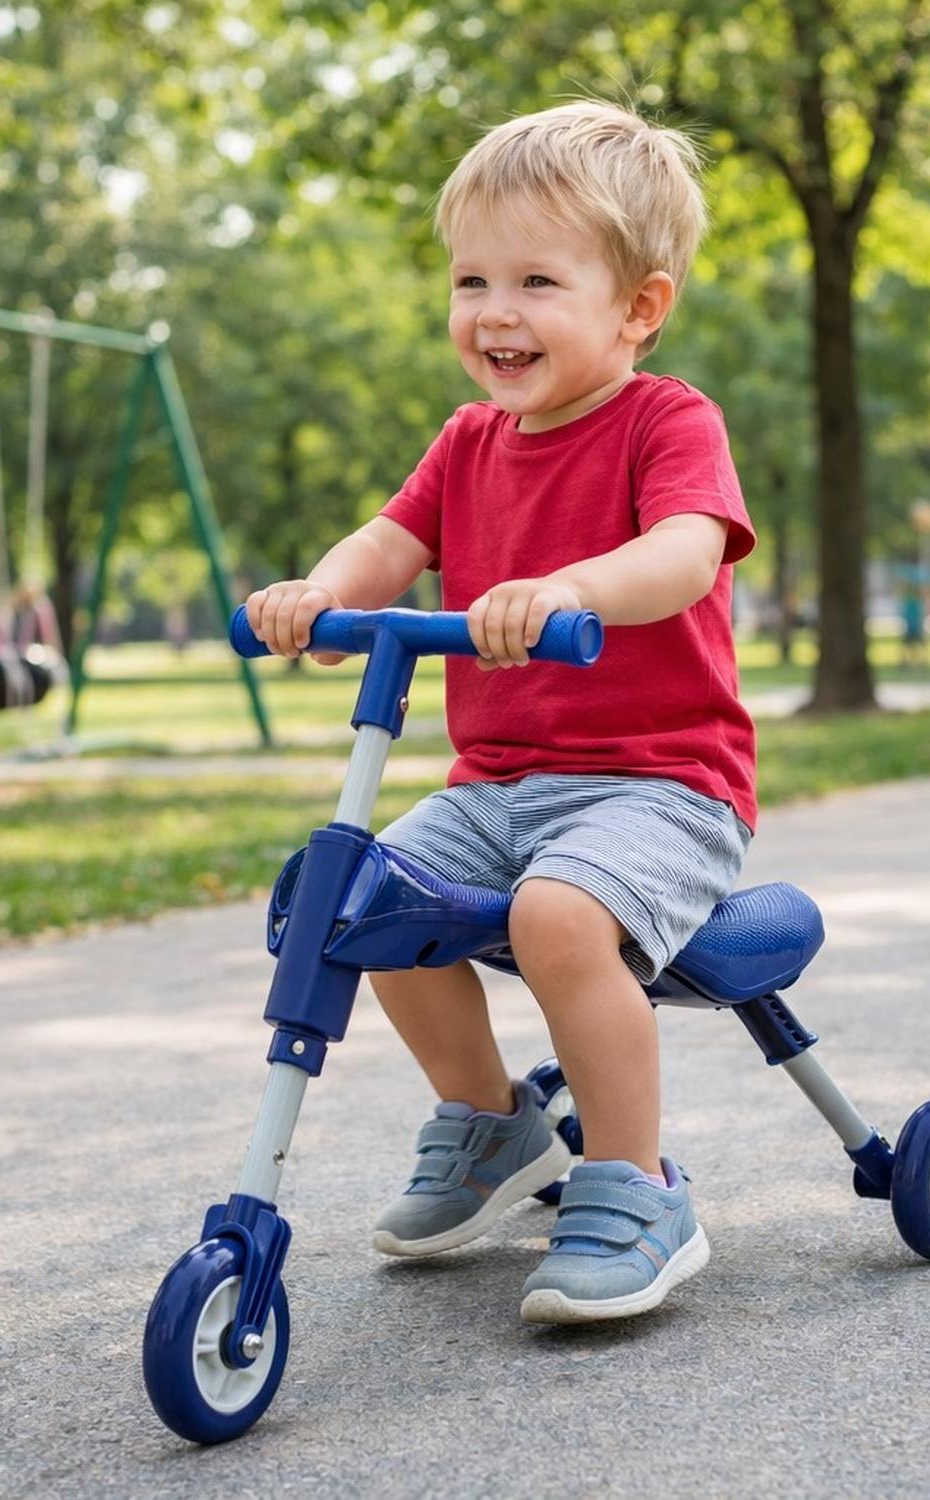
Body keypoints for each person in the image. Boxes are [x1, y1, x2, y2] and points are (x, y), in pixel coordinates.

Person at [244, 100, 757, 1324]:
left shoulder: (665, 421)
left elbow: (688, 554)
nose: (496, 312)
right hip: (499, 786)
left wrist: (568, 587)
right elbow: (389, 539)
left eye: (537, 279)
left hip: (661, 786)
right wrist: (322, 596)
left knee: (560, 918)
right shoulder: (468, 441)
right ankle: (490, 1124)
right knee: (358, 895)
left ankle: (635, 1186)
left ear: (639, 306)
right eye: (472, 279)